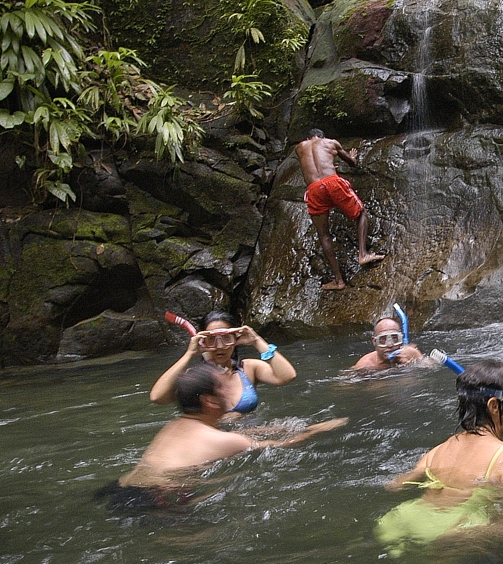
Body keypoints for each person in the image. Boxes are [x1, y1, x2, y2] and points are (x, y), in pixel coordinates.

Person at [375, 360, 503, 555]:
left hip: (400, 519)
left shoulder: (441, 448)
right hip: (452, 531)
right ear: (494, 406)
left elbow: (396, 485)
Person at [119, 365, 347, 490]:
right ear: (209, 401)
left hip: (125, 487)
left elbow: (230, 435)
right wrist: (318, 430)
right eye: (222, 386)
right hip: (160, 499)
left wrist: (276, 427)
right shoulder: (226, 441)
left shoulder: (174, 426)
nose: (229, 388)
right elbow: (284, 445)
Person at [150, 311, 295, 415]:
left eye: (226, 338)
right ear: (202, 340)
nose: (219, 346)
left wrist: (256, 341)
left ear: (236, 339)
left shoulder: (249, 368)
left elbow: (287, 376)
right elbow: (158, 397)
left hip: (252, 441)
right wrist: (190, 354)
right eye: (211, 339)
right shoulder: (195, 379)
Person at [296, 128, 384, 290]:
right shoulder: (331, 143)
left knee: (324, 235)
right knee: (361, 213)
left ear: (308, 138)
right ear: (323, 136)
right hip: (333, 182)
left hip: (314, 188)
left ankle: (338, 281)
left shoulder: (300, 147)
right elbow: (352, 163)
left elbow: (309, 166)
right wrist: (353, 157)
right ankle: (363, 254)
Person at [351, 316, 424, 371]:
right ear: (374, 341)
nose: (390, 345)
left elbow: (431, 366)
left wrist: (412, 366)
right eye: (383, 339)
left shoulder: (411, 354)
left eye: (395, 338)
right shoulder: (365, 366)